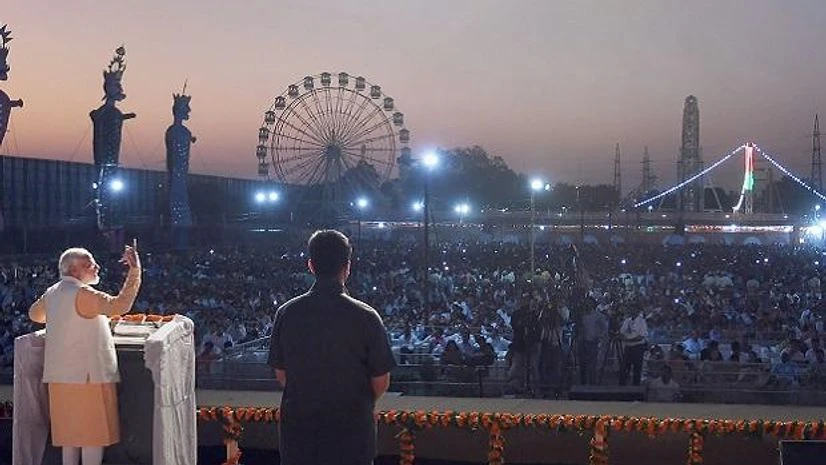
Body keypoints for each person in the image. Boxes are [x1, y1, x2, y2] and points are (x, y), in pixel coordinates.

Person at [267, 230, 396, 465]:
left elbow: (281, 373)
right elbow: (381, 380)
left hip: (300, 437)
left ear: (310, 265)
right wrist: (355, 401)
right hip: (352, 435)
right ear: (347, 266)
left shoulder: (287, 313)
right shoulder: (366, 317)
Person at [28, 245, 141, 465]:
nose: (97, 267)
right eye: (90, 264)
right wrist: (135, 271)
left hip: (59, 378)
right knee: (93, 437)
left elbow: (35, 314)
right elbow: (121, 305)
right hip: (88, 377)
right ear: (75, 270)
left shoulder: (52, 293)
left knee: (70, 439)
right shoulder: (83, 294)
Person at [619, 306, 648, 386]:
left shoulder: (642, 321)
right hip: (628, 347)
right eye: (631, 309)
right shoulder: (627, 321)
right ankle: (622, 385)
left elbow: (641, 336)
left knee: (637, 368)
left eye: (634, 309)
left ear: (638, 311)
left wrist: (628, 340)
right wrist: (625, 339)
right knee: (624, 367)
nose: (632, 311)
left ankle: (636, 386)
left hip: (638, 347)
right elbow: (621, 333)